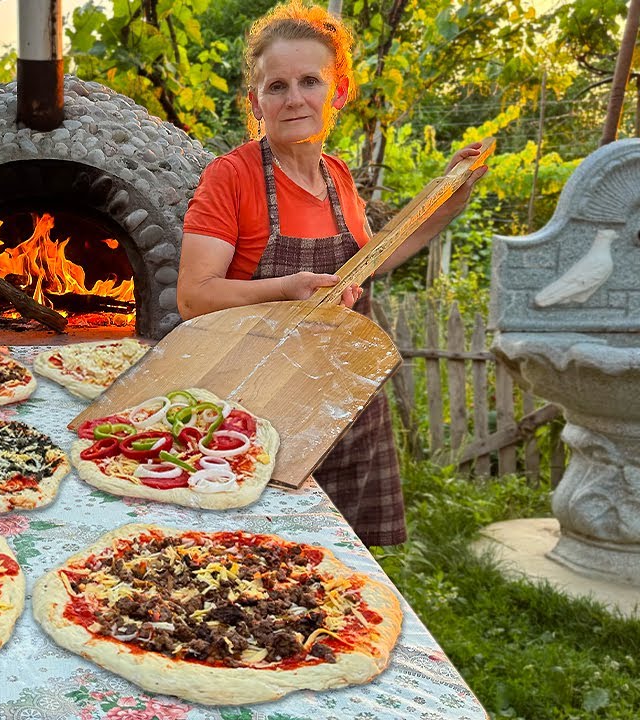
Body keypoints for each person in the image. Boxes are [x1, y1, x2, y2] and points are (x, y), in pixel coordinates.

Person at [177, 0, 486, 547]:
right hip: (262, 411)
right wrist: (287, 290)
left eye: (309, 81)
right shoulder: (233, 177)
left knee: (342, 568)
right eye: (277, 86)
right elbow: (194, 298)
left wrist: (447, 199)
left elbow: (370, 265)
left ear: (337, 92)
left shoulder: (338, 175)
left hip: (345, 404)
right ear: (256, 102)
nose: (294, 98)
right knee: (256, 569)